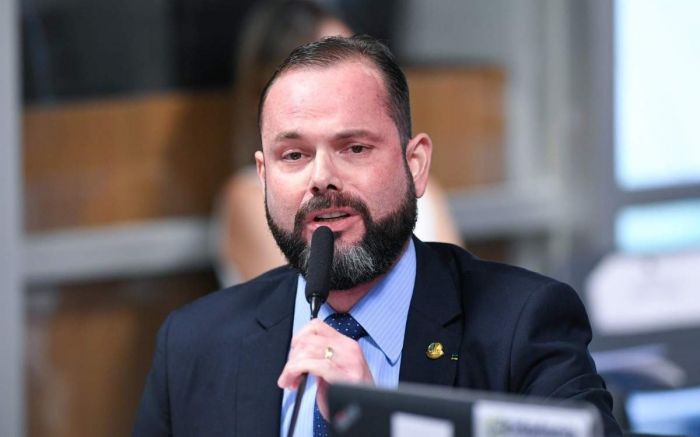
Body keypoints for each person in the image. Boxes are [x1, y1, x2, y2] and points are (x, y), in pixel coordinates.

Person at [134, 35, 621, 436]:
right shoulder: (195, 343)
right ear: (263, 177)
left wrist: (384, 424)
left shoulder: (521, 326)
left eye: (355, 147)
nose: (321, 178)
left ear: (416, 165)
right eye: (294, 156)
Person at [213, 0, 461, 285]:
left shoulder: (423, 190)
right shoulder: (252, 197)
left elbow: (456, 302)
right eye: (330, 64)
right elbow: (302, 308)